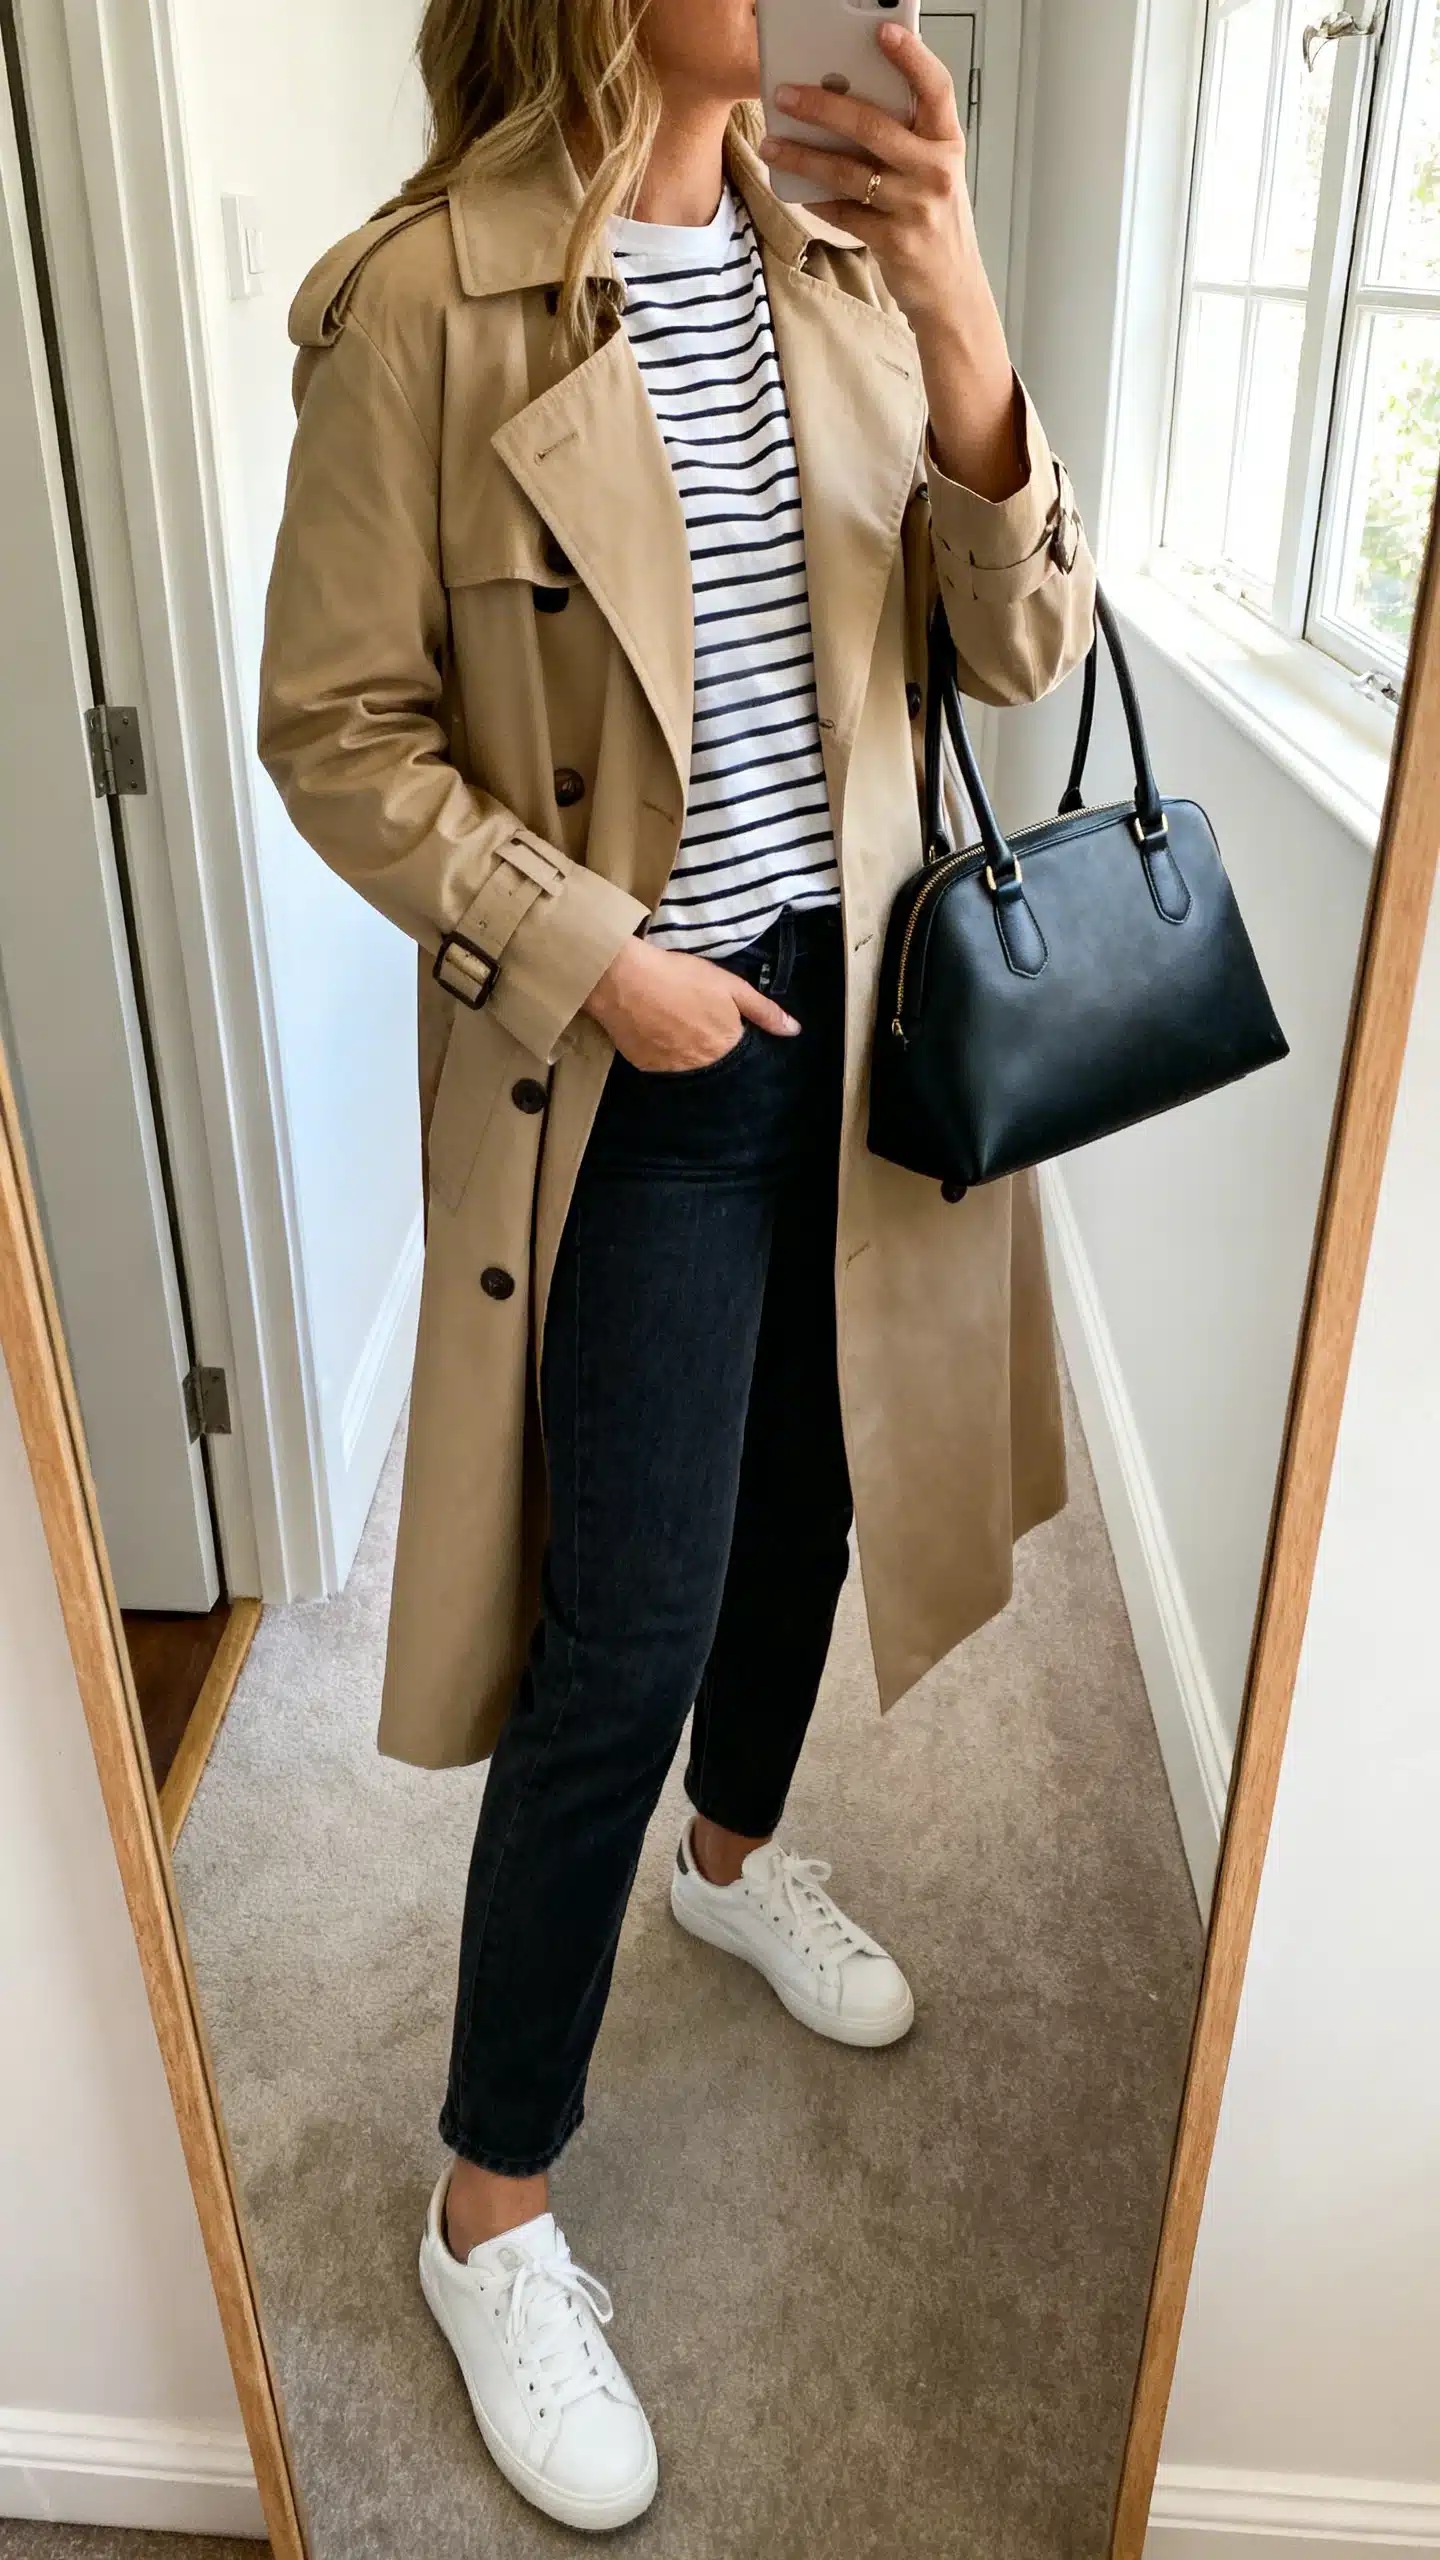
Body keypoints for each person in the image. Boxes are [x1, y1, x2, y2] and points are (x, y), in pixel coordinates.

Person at [258, 0, 1095, 2530]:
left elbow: (1013, 649)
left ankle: (736, 1866)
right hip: (632, 1066)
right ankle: (483, 2199)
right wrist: (594, 945)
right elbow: (334, 727)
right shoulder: (423, 305)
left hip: (865, 1047)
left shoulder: (844, 268)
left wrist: (961, 307)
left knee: (817, 1517)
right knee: (618, 1628)